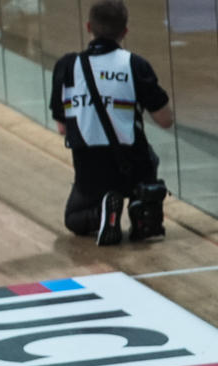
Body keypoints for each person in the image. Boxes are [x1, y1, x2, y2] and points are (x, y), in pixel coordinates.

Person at [51, 0, 174, 245]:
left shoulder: (66, 66)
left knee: (74, 218)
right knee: (150, 157)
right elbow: (165, 120)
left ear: (89, 27)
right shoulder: (135, 64)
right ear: (125, 31)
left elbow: (63, 127)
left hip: (90, 168)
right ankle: (141, 210)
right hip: (132, 164)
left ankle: (102, 213)